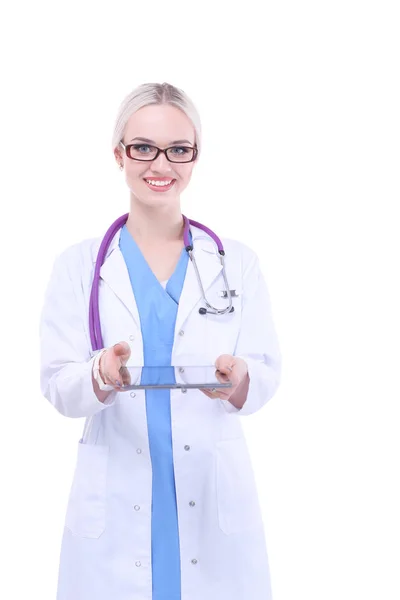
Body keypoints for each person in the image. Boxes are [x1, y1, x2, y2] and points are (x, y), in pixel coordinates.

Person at [39, 82, 282, 600]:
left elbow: (263, 370)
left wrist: (240, 380)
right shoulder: (79, 267)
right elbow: (59, 384)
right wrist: (99, 374)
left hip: (209, 496)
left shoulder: (236, 263)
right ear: (119, 153)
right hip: (117, 491)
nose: (160, 164)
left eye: (178, 149)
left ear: (195, 156)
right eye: (143, 147)